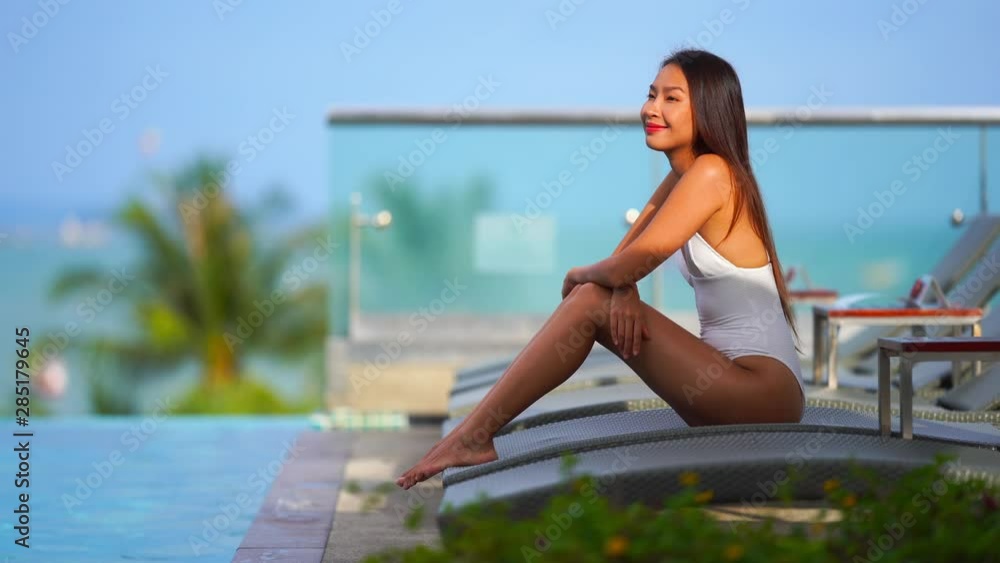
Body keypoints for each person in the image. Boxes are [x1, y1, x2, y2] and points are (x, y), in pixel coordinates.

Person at [396, 49, 805, 490]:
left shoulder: (712, 172)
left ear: (707, 108)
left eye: (672, 98)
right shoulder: (685, 177)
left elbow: (630, 264)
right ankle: (473, 433)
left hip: (760, 392)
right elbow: (627, 258)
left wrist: (586, 275)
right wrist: (620, 286)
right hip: (722, 383)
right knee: (597, 296)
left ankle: (474, 435)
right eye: (651, 95)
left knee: (590, 298)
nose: (652, 109)